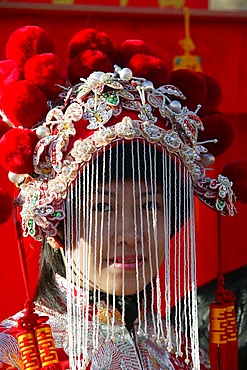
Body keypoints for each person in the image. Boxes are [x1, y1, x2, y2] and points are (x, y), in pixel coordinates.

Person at [0, 26, 236, 370]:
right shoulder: (13, 354)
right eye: (101, 207)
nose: (130, 233)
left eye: (150, 205)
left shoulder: (185, 353)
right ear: (54, 224)